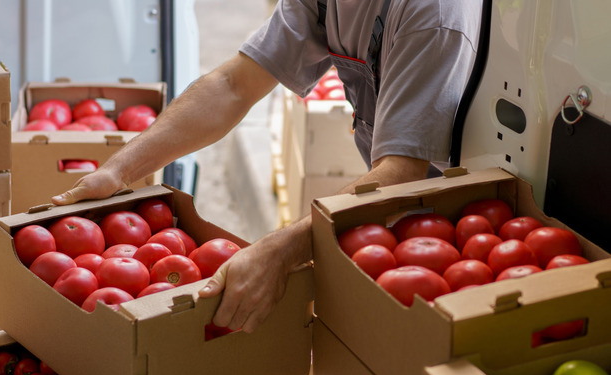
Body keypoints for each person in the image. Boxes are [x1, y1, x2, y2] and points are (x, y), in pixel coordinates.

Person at [52, 0, 482, 333]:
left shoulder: (432, 13)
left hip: (458, 224)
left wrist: (279, 250)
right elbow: (234, 85)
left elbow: (401, 173)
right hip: (384, 214)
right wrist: (118, 169)